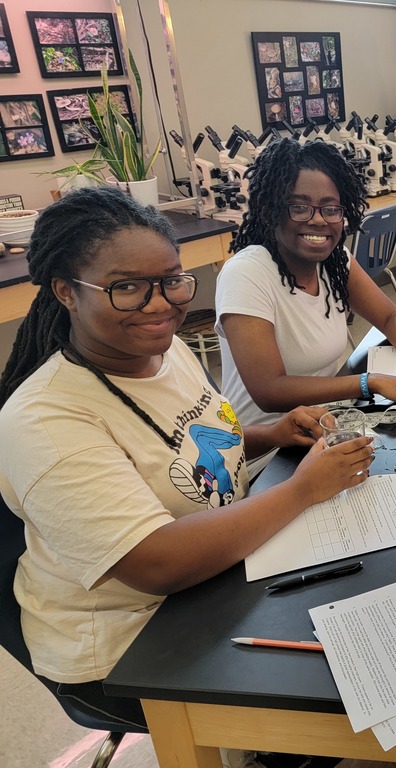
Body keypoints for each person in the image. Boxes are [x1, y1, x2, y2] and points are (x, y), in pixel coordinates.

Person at [0, 187, 371, 768]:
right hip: (131, 638)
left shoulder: (161, 351)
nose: (159, 305)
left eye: (172, 280)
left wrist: (270, 435)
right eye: (127, 287)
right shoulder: (46, 420)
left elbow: (183, 443)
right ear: (66, 291)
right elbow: (154, 564)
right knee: (346, 681)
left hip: (220, 575)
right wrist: (302, 489)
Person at [215, 137, 396, 469]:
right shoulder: (247, 274)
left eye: (331, 208)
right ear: (272, 209)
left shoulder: (335, 261)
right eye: (300, 206)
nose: (318, 220)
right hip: (269, 454)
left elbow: (391, 316)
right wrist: (372, 381)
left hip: (329, 427)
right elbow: (268, 391)